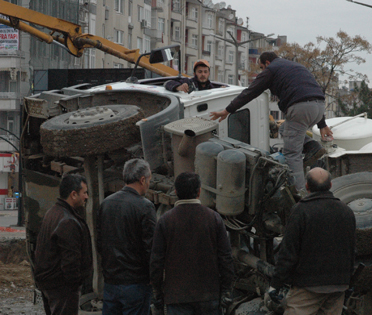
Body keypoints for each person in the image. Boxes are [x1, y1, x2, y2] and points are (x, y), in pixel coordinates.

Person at [209, 52, 333, 191]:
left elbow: (250, 92)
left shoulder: (271, 69)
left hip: (300, 108)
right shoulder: (295, 66)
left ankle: (299, 192)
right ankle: (313, 147)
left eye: (261, 67)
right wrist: (322, 124)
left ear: (267, 63)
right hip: (319, 106)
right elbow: (308, 91)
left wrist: (227, 110)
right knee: (283, 128)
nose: (262, 71)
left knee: (292, 154)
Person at [269, 167, 356, 315]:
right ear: (330, 185)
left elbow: (288, 252)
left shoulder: (301, 211)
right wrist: (348, 282)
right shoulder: (346, 211)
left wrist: (275, 284)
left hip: (308, 288)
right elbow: (352, 250)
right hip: (338, 286)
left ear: (307, 186)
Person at [150, 171, 234, 315]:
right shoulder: (213, 218)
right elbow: (226, 258)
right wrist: (226, 291)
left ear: (175, 192)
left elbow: (156, 262)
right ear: (199, 191)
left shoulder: (165, 221)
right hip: (209, 295)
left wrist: (158, 293)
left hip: (177, 297)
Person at [97, 158, 157, 315]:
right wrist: (154, 276)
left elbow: (100, 242)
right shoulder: (145, 206)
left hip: (111, 281)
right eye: (149, 179)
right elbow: (151, 246)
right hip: (136, 283)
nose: (149, 183)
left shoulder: (106, 204)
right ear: (142, 180)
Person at [34, 174, 92, 315]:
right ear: (73, 194)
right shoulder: (68, 221)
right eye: (84, 193)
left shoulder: (53, 212)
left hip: (49, 283)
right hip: (61, 288)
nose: (86, 197)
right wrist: (74, 285)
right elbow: (70, 261)